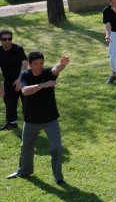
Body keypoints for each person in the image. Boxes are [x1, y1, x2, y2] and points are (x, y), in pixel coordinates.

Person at [6, 52, 70, 185]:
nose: (39, 66)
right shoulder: (25, 75)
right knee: (26, 147)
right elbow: (25, 91)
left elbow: (55, 69)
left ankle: (58, 177)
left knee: (56, 147)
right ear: (29, 64)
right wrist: (43, 85)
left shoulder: (47, 73)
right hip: (32, 119)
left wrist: (62, 64)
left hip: (50, 117)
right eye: (35, 64)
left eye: (41, 63)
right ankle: (24, 170)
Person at [0, 29, 27, 130]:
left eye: (9, 38)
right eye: (4, 39)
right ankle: (12, 122)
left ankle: (31, 123)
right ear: (0, 40)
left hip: (22, 77)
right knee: (9, 101)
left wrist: (19, 79)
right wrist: (0, 86)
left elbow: (25, 64)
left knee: (26, 102)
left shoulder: (18, 49)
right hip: (8, 80)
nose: (7, 41)